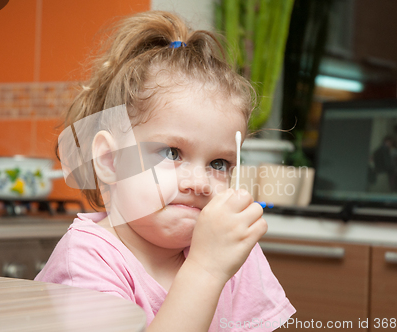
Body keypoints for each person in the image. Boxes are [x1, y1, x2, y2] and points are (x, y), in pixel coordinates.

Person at [35, 11, 295, 331]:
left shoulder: (227, 248)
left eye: (219, 164)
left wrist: (212, 261)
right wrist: (205, 269)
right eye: (172, 153)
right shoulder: (86, 260)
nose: (199, 183)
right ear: (109, 160)